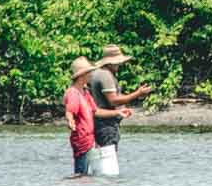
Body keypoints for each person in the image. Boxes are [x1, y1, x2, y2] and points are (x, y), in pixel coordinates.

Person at [87, 45, 152, 176]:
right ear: (110, 62)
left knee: (104, 158)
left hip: (101, 122)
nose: (120, 64)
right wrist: (137, 93)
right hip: (106, 124)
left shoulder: (98, 73)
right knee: (109, 162)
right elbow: (113, 100)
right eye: (118, 62)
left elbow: (112, 99)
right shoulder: (105, 76)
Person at [64, 56, 132, 177]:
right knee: (81, 175)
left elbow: (95, 111)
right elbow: (70, 110)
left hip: (90, 140)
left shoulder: (85, 92)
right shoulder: (73, 93)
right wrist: (70, 121)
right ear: (82, 76)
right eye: (89, 72)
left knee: (88, 176)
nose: (91, 74)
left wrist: (118, 112)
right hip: (81, 141)